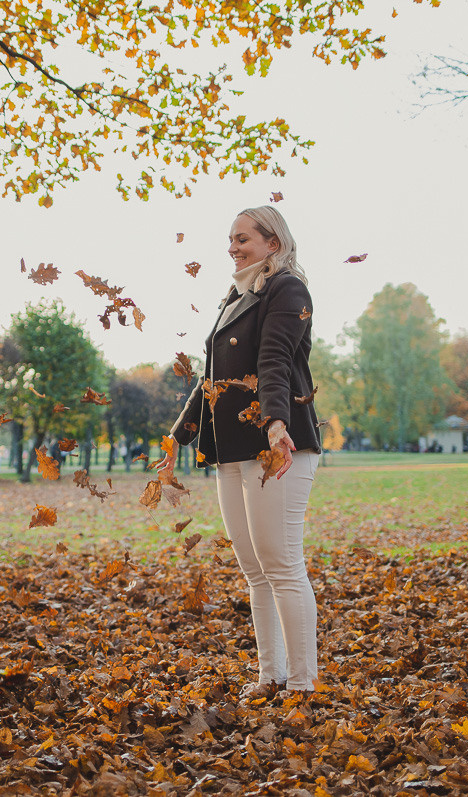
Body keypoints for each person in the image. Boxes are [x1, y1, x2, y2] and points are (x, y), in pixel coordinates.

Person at [158, 205, 322, 698]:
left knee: (281, 563)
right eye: (230, 238)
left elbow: (274, 360)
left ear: (273, 243)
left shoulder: (286, 289)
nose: (233, 246)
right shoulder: (236, 296)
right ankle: (270, 675)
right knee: (254, 569)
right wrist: (176, 437)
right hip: (230, 450)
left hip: (277, 445)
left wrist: (275, 422)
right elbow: (212, 381)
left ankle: (302, 683)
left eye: (243, 238)